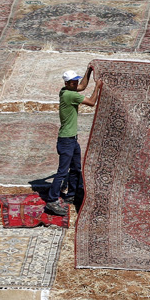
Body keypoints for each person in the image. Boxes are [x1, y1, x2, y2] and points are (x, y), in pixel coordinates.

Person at [44, 68, 103, 216]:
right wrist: (97, 87)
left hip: (71, 140)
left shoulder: (65, 91)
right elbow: (91, 102)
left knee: (76, 168)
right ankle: (52, 201)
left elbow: (82, 86)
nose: (76, 83)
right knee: (62, 172)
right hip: (66, 141)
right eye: (73, 81)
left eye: (76, 80)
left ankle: (71, 194)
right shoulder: (70, 95)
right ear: (67, 83)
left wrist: (88, 71)